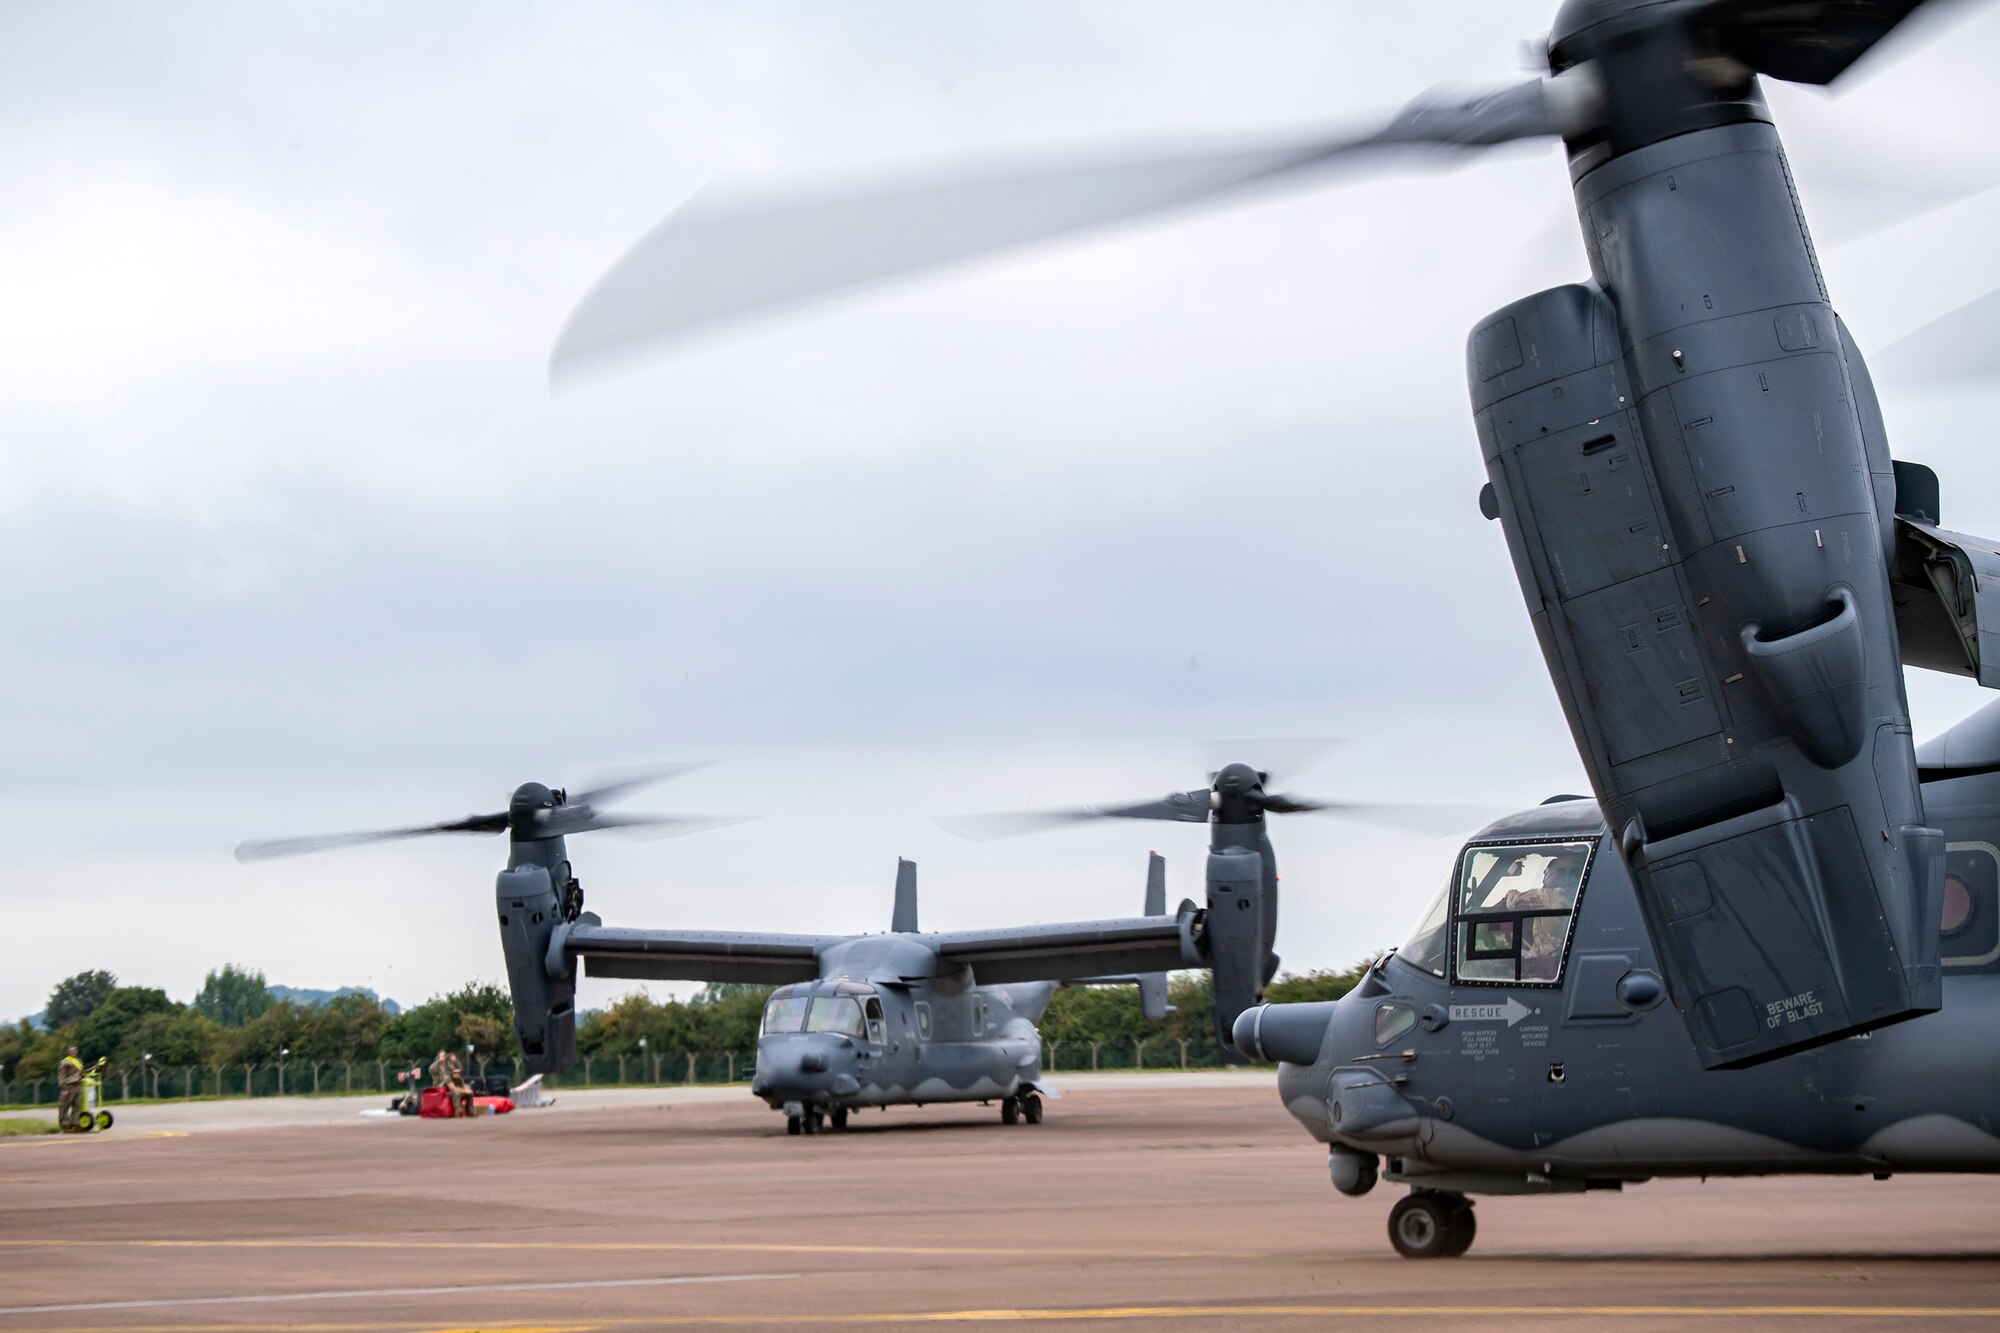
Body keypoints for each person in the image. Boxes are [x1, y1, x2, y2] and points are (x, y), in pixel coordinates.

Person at [57, 1046, 85, 1132]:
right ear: (68, 1052)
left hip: (79, 1085)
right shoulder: (65, 1062)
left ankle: (76, 1124)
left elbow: (81, 1073)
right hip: (69, 1086)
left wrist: (95, 1067)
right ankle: (65, 1125)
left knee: (77, 1106)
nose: (73, 1052)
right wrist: (63, 1088)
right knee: (65, 1106)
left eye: (75, 1050)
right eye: (71, 1050)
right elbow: (62, 1076)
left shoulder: (78, 1062)